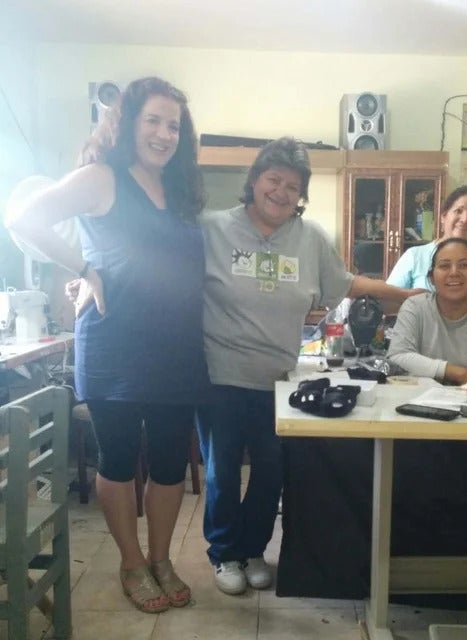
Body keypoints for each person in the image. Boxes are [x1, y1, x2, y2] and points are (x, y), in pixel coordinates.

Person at [7, 77, 211, 613]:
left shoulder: (181, 192)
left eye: (173, 125)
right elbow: (22, 216)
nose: (164, 134)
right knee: (118, 460)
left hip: (177, 350)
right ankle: (131, 561)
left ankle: (161, 559)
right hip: (114, 346)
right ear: (127, 123)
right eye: (153, 120)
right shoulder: (102, 177)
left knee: (170, 464)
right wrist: (84, 269)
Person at [197, 136, 424, 595]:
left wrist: (410, 295)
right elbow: (165, 271)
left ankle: (252, 549)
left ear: (301, 195)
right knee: (222, 471)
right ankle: (224, 553)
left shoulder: (311, 239)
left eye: (293, 186)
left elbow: (350, 284)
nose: (281, 192)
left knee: (271, 471)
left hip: (278, 380)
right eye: (273, 180)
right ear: (254, 180)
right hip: (219, 376)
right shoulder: (212, 228)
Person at [387, 237, 467, 386]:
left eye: (464, 265)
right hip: (418, 397)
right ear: (431, 278)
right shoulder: (415, 307)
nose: (454, 272)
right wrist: (458, 373)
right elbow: (398, 355)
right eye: (444, 266)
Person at [387, 185, 467, 307]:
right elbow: (387, 301)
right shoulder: (415, 255)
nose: (465, 219)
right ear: (443, 217)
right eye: (458, 211)